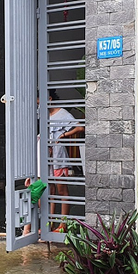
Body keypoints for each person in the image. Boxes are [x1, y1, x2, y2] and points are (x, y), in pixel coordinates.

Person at [46, 89, 84, 231]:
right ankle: (49, 224)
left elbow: (80, 127)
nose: (38, 105)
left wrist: (64, 135)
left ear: (49, 99)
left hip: (58, 156)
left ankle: (63, 224)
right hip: (47, 156)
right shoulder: (45, 114)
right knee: (49, 190)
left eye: (39, 102)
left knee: (62, 190)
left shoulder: (62, 113)